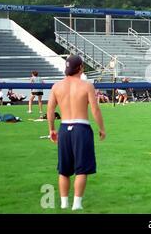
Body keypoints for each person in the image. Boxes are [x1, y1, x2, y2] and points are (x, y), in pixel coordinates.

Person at [47, 55, 106, 211]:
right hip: (81, 128)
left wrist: (51, 129)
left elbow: (50, 110)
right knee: (82, 168)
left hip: (64, 128)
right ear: (81, 68)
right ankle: (77, 204)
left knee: (64, 169)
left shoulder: (56, 86)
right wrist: (102, 128)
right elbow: (95, 109)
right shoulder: (86, 86)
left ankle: (64, 203)